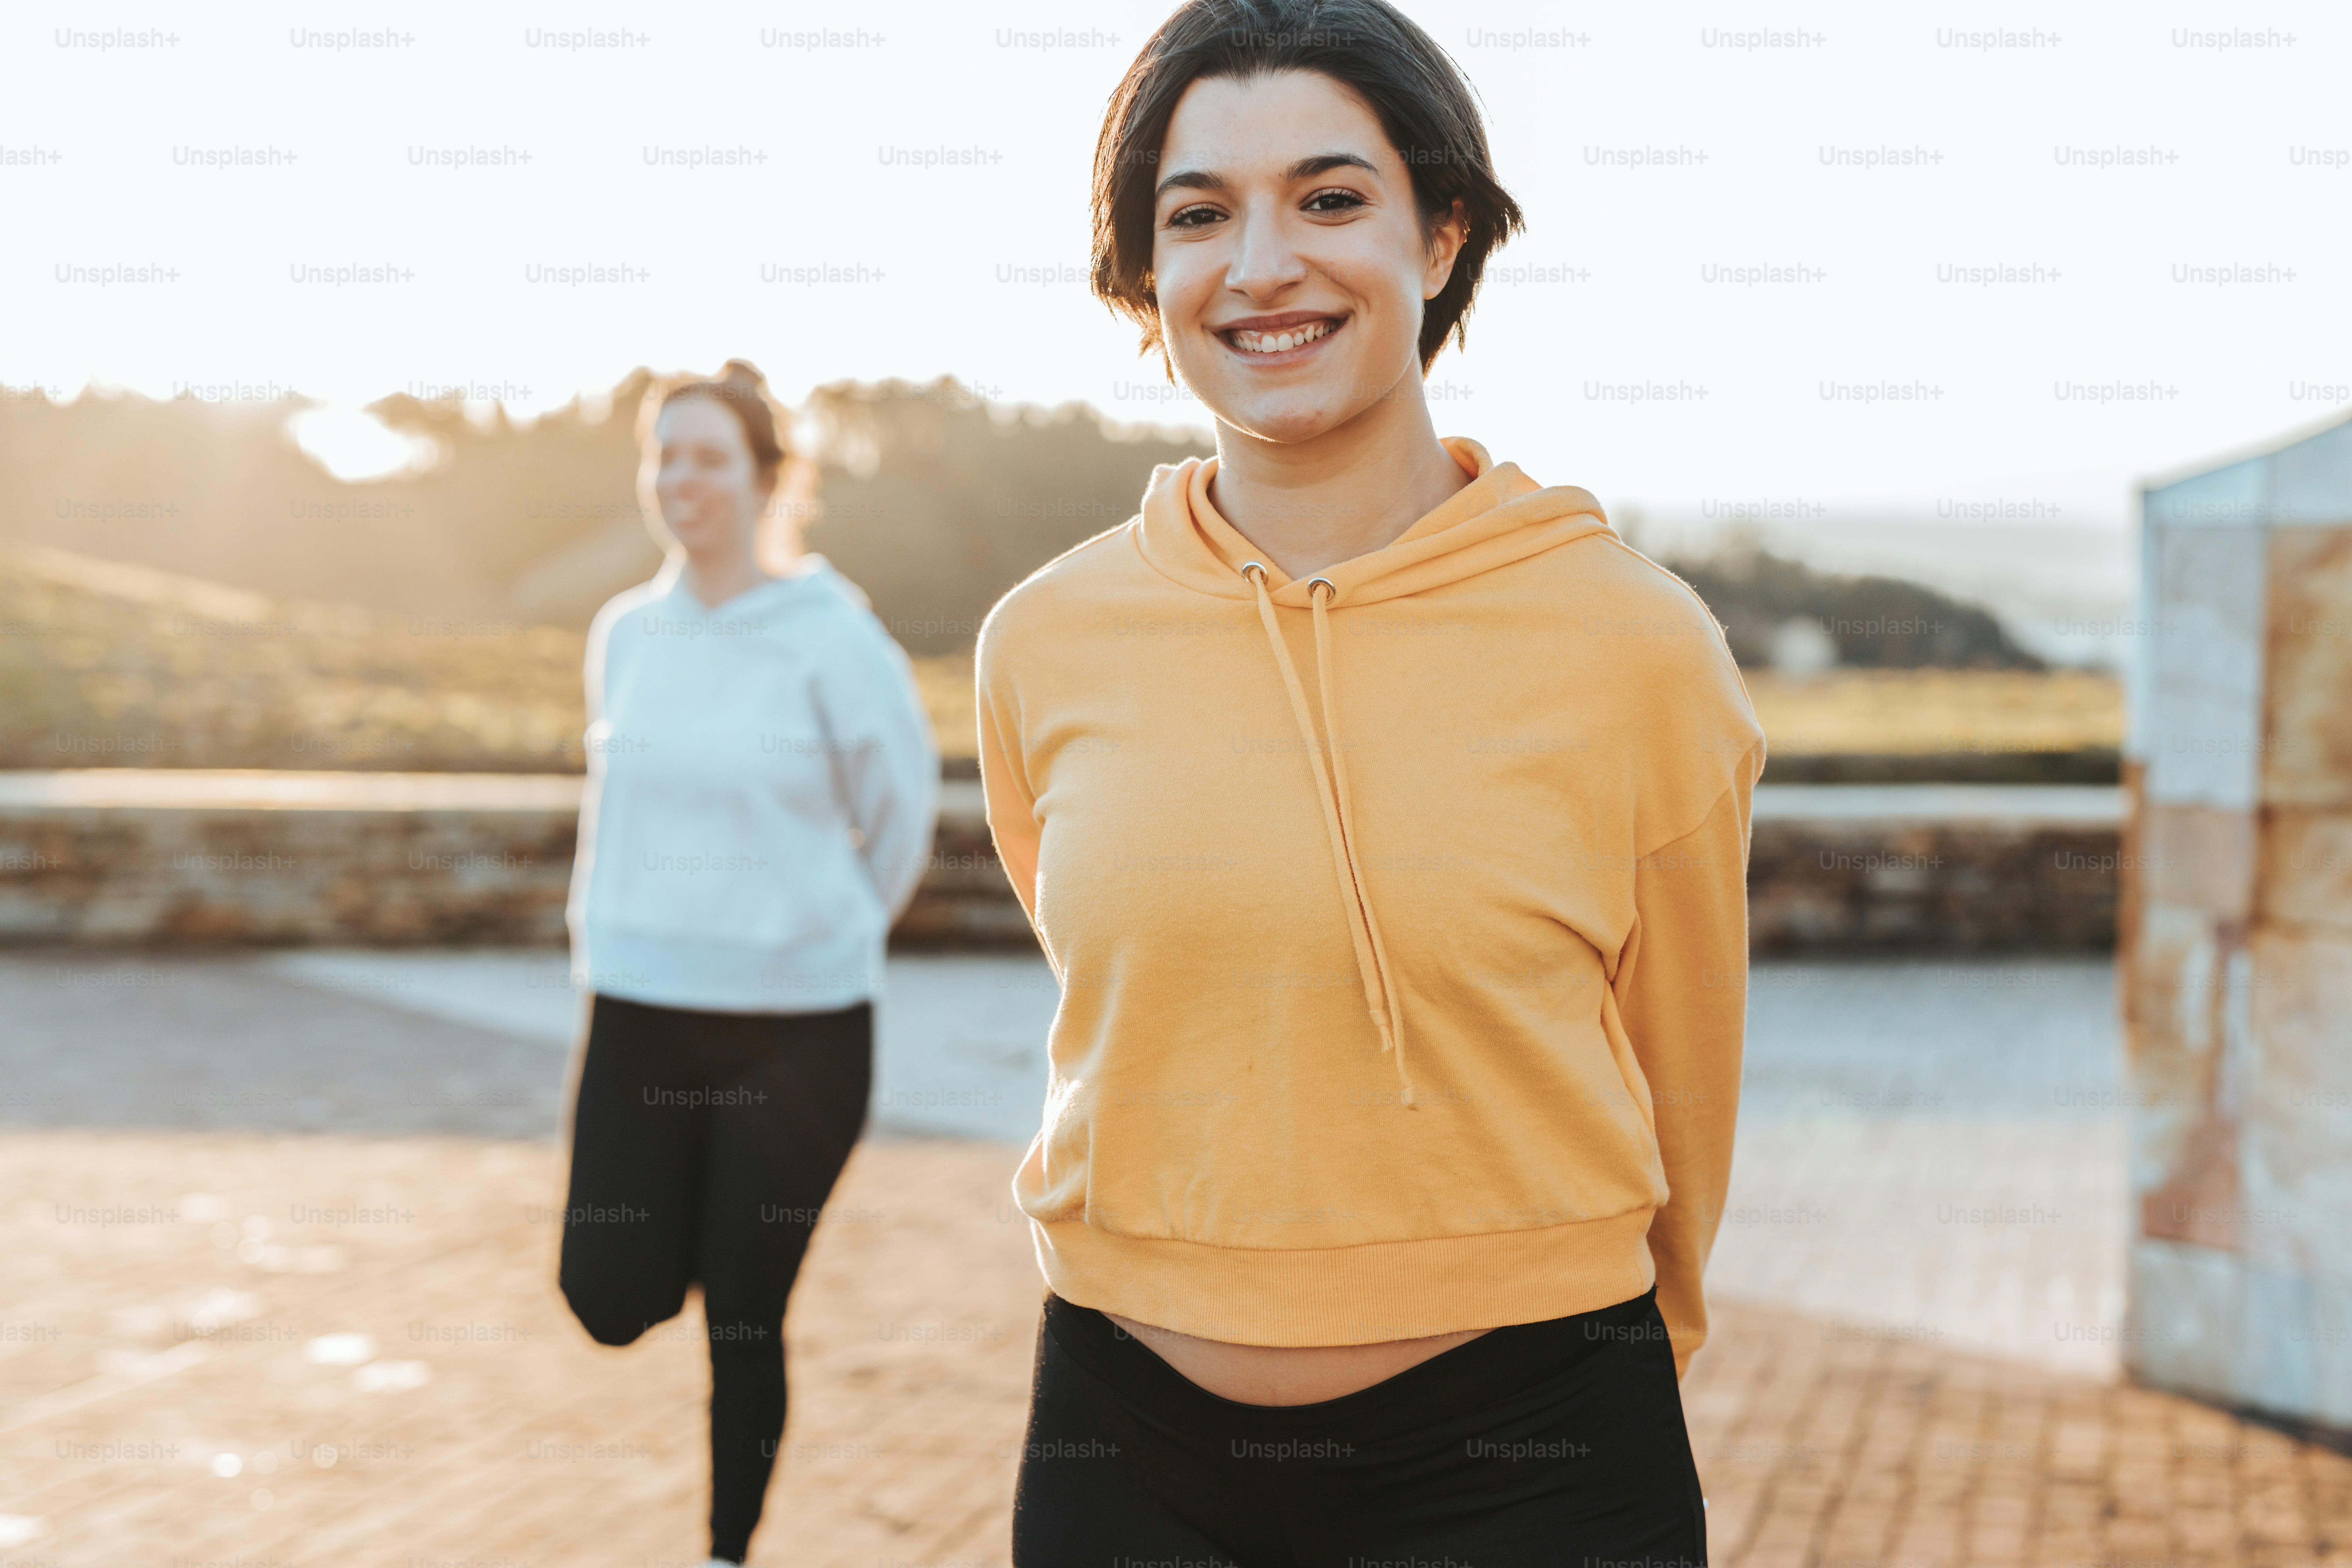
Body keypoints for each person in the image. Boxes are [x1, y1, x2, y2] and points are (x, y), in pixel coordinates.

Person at [975, 3, 1764, 1562]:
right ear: (1147, 272)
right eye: (1198, 214)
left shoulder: (1635, 644)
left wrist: (1627, 1371)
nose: (1261, 264)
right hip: (1124, 1446)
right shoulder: (1043, 642)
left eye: (1331, 198)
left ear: (1443, 228)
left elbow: (1688, 1075)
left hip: (1529, 1457)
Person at [556, 360, 939, 1567]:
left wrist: (809, 932)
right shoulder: (626, 635)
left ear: (770, 478)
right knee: (609, 1298)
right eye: (664, 456)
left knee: (745, 1315)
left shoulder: (832, 638)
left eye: (710, 456)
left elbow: (902, 814)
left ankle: (727, 1551)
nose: (682, 481)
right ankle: (694, 1229)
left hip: (798, 1031)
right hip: (639, 1011)